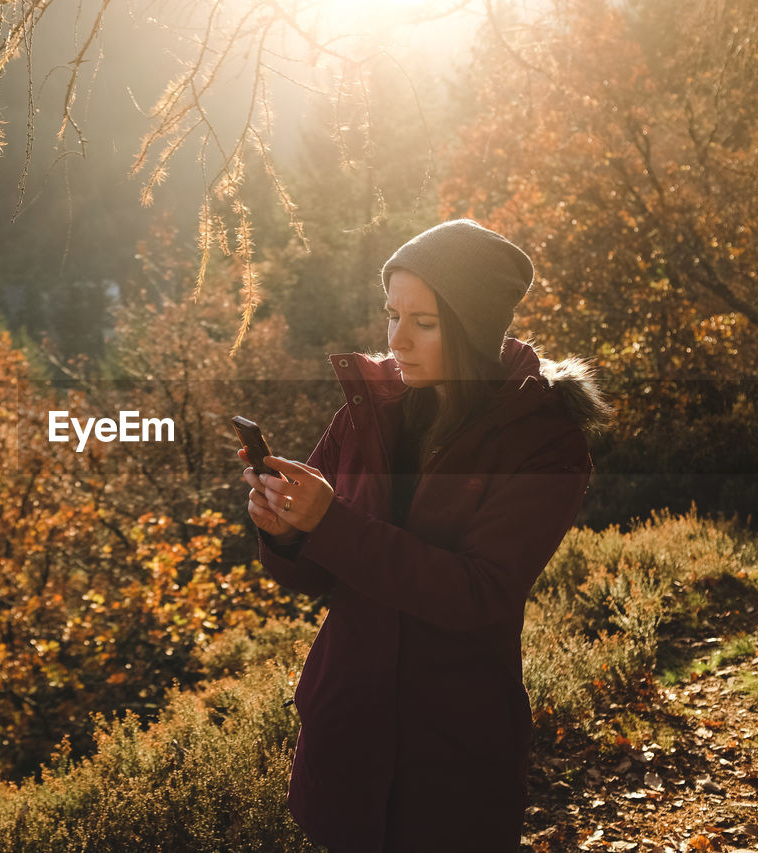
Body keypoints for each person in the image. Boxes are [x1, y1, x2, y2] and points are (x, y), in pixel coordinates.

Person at [239, 219, 613, 851]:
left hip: (452, 751)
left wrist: (330, 522)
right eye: (391, 315)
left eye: (425, 323)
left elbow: (480, 593)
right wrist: (286, 533)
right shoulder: (368, 413)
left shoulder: (543, 442)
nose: (398, 340)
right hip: (346, 736)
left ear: (472, 327)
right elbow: (316, 575)